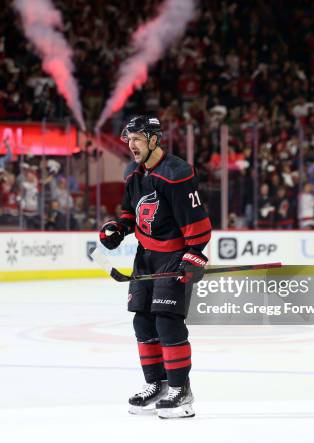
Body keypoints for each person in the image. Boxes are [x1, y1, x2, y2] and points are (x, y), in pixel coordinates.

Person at [98, 116, 211, 419]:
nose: (131, 145)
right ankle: (157, 385)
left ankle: (181, 391)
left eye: (137, 138)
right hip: (145, 257)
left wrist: (194, 255)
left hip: (173, 257)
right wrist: (119, 229)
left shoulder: (177, 174)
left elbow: (197, 224)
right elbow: (129, 211)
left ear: (153, 139)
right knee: (143, 323)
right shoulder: (134, 173)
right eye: (129, 139)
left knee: (167, 321)